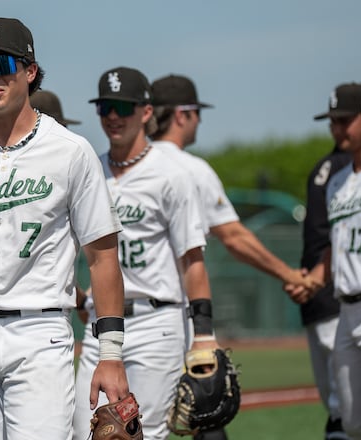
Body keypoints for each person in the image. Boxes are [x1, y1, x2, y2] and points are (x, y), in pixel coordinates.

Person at [0, 17, 129, 439]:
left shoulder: (71, 151)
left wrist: (110, 354)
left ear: (30, 70)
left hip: (40, 332)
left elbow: (103, 255)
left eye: (0, 63)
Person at [149, 73, 313, 440]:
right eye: (196, 113)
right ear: (182, 114)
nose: (200, 121)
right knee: (207, 413)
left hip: (114, 319)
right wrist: (290, 274)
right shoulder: (189, 169)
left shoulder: (119, 167)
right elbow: (235, 237)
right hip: (173, 316)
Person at [73, 66, 220, 440]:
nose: (113, 116)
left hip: (156, 323)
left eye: (124, 106)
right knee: (83, 433)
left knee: (142, 435)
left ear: (147, 112)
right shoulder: (89, 170)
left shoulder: (172, 174)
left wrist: (203, 334)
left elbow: (192, 259)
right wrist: (75, 294)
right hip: (101, 326)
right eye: (105, 106)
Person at [296, 83, 361, 440]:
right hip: (347, 311)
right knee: (352, 423)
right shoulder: (339, 180)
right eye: (333, 121)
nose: (336, 128)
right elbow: (336, 247)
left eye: (344, 120)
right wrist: (312, 281)